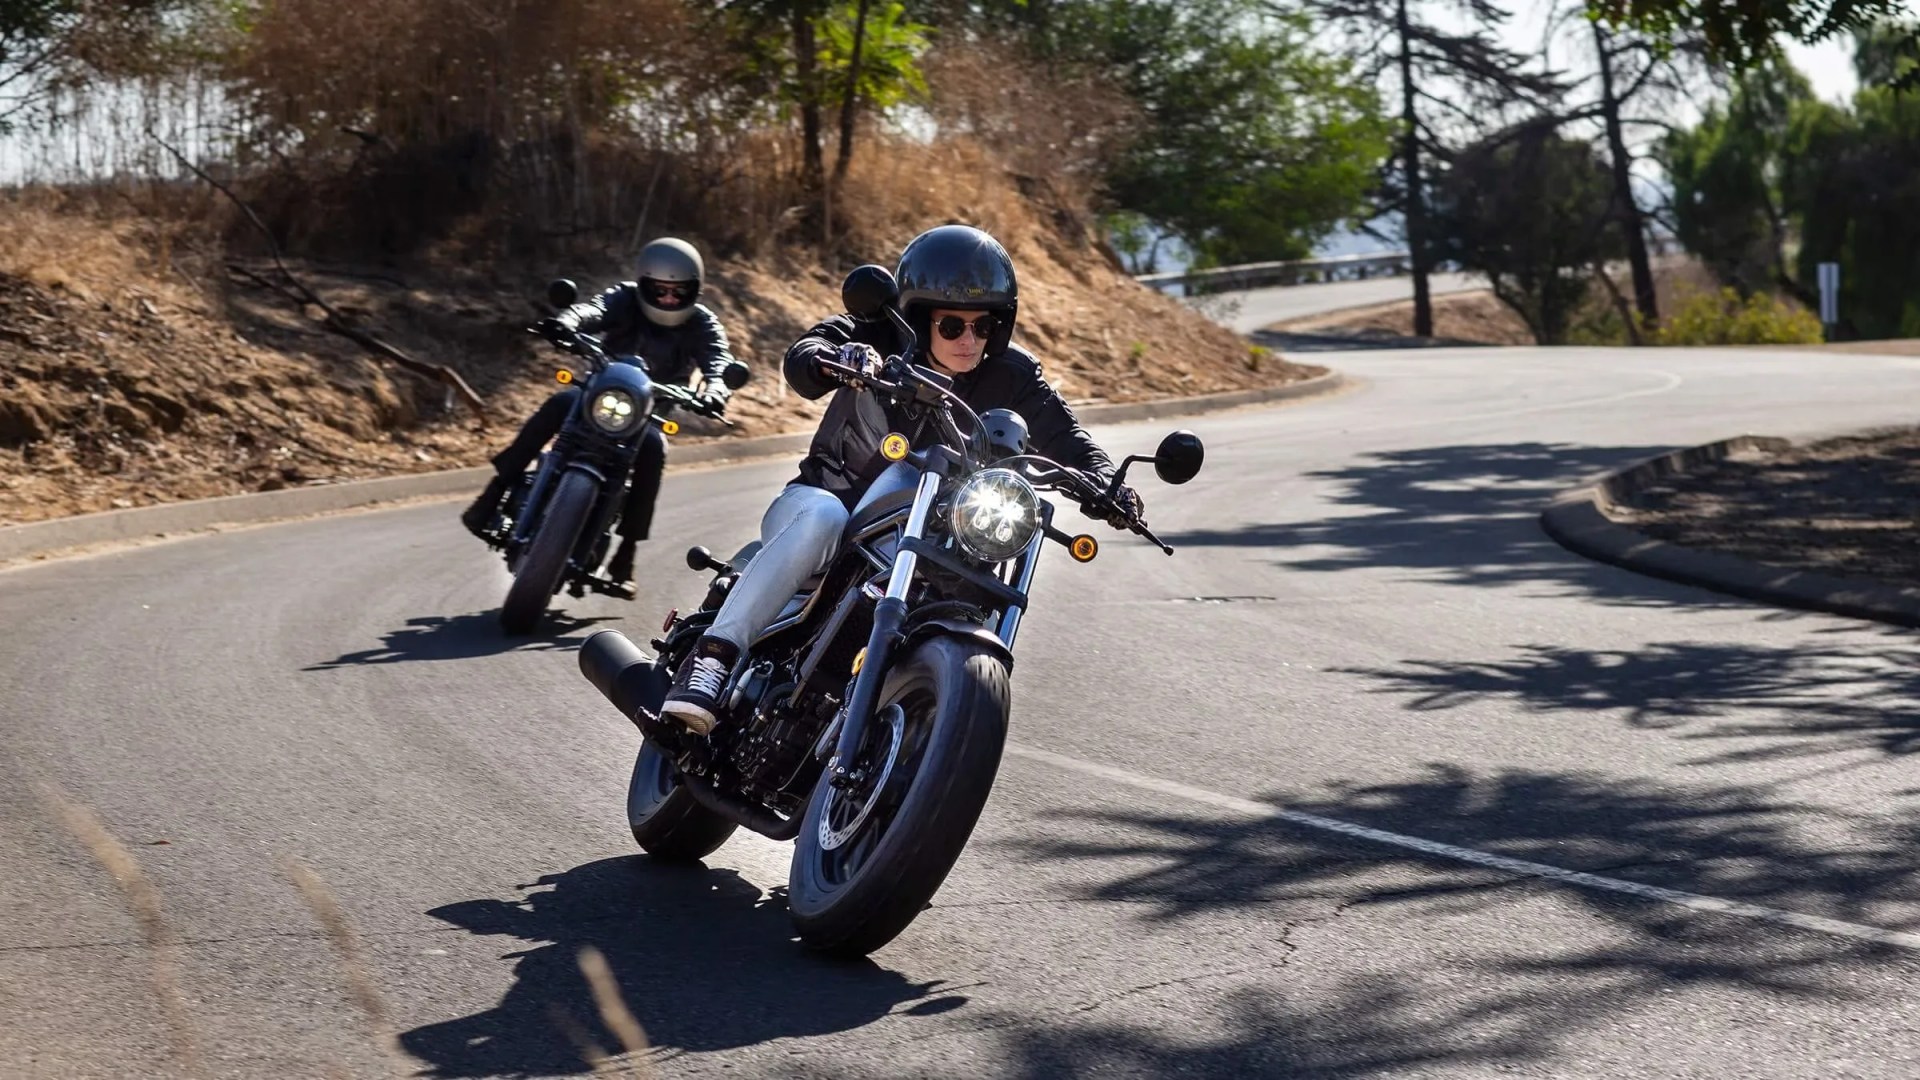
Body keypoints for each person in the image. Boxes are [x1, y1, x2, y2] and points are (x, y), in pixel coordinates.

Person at [659, 223, 1142, 733]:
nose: (968, 339)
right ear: (918, 318)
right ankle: (713, 656)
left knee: (977, 564)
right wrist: (836, 360)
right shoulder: (874, 335)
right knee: (823, 515)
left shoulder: (1014, 375)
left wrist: (1109, 483)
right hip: (826, 505)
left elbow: (1069, 439)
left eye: (983, 326)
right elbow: (806, 354)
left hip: (933, 527)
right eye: (952, 326)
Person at [463, 237, 738, 586]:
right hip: (598, 393)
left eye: (678, 292)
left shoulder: (702, 323)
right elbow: (591, 309)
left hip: (647, 413)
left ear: (694, 291)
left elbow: (719, 361)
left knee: (654, 447)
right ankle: (491, 495)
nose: (669, 299)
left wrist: (716, 390)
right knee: (557, 404)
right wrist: (566, 321)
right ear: (644, 285)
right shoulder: (623, 298)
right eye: (660, 290)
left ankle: (627, 552)